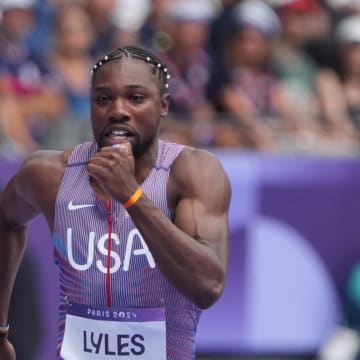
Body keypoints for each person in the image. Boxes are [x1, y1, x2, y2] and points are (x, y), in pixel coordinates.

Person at [0, 45, 231, 360]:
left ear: (163, 105)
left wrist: (131, 195)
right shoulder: (49, 174)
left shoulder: (191, 172)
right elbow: (7, 220)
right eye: (103, 99)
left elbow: (208, 286)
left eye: (136, 98)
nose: (117, 110)